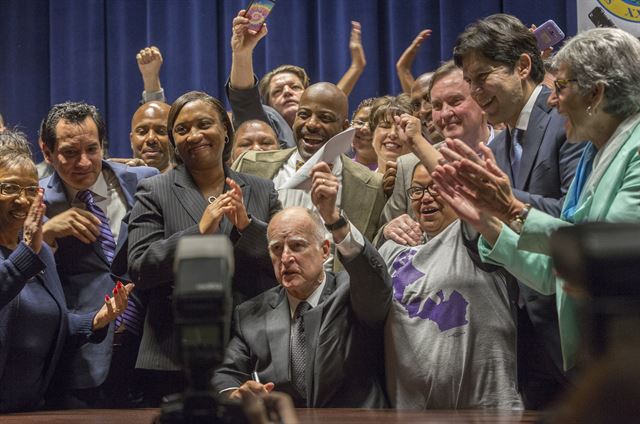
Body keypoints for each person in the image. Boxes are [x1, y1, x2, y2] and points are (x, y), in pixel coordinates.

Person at [433, 26, 640, 386]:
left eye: (561, 87)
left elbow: (609, 258)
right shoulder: (595, 152)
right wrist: (487, 223)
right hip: (594, 354)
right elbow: (553, 273)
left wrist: (513, 208)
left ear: (596, 93)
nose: (551, 100)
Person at [449, 14, 585, 408]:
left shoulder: (566, 119)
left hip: (574, 321)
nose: (475, 92)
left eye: (482, 77)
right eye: (469, 82)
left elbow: (574, 214)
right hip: (527, 333)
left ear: (523, 66)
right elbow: (492, 254)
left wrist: (503, 200)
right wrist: (475, 220)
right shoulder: (500, 142)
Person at [127, 91, 281, 405]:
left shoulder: (263, 190)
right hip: (173, 354)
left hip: (249, 350)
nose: (194, 135)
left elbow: (284, 261)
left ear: (226, 129)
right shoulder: (153, 189)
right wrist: (197, 232)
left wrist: (247, 227)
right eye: (182, 130)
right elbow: (140, 267)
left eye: (204, 124)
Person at [212, 163, 391, 408]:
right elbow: (225, 374)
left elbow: (375, 282)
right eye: (277, 249)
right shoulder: (251, 313)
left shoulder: (352, 291)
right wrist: (236, 393)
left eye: (297, 245)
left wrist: (334, 220)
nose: (285, 258)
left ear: (325, 251)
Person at [38, 102, 158, 408]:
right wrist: (47, 231)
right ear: (47, 151)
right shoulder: (33, 202)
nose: (84, 162)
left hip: (150, 348)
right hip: (81, 358)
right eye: (69, 152)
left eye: (92, 149)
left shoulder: (145, 180)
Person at [380, 160, 521, 409]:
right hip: (411, 413)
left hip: (487, 410)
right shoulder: (394, 245)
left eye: (436, 188)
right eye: (417, 190)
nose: (425, 198)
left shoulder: (477, 236)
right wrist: (383, 232)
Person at [0, 145, 131, 412]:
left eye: (30, 190)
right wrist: (27, 251)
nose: (23, 200)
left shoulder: (41, 251)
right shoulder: (31, 251)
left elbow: (50, 321)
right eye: (10, 188)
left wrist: (94, 320)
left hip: (31, 408)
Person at [233, 82, 385, 246]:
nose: (311, 124)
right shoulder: (250, 166)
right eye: (304, 115)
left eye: (325, 118)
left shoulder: (372, 187)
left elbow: (370, 259)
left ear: (344, 127)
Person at [376, 60, 495, 247]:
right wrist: (388, 230)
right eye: (437, 106)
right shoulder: (408, 166)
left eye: (456, 101)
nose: (445, 113)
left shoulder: (513, 150)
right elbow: (378, 239)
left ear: (481, 100)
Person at [228, 10, 366, 142]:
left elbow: (331, 99)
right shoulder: (265, 126)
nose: (287, 92)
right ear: (267, 104)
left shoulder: (325, 127)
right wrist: (242, 53)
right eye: (277, 91)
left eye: (295, 87)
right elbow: (244, 100)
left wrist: (356, 67)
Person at [369, 95, 413, 174]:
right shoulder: (358, 184)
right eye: (385, 126)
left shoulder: (427, 185)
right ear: (373, 134)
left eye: (401, 127)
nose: (392, 133)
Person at [130, 101, 174, 173]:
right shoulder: (116, 180)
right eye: (142, 132)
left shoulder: (192, 181)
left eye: (161, 131)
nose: (151, 138)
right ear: (131, 140)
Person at [349, 98, 377, 170]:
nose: (365, 128)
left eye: (373, 124)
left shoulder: (399, 173)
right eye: (359, 123)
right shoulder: (338, 169)